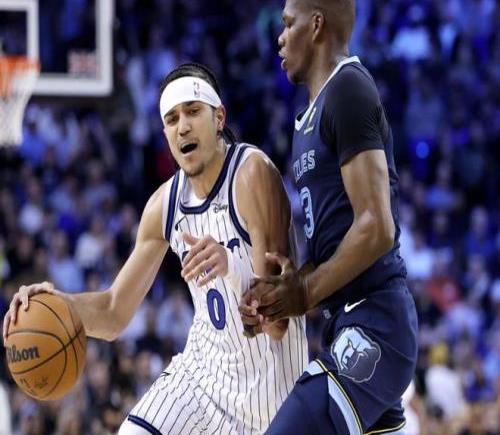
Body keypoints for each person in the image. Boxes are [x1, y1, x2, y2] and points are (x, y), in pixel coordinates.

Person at [3, 62, 308, 435]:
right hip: (202, 383)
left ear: (219, 118)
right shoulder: (163, 206)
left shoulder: (252, 173)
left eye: (193, 111)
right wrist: (57, 304)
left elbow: (277, 324)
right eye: (172, 118)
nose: (183, 126)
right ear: (165, 133)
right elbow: (113, 313)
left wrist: (231, 266)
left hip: (274, 398)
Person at [239, 0, 418, 434]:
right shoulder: (308, 118)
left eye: (288, 24)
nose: (280, 38)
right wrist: (279, 295)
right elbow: (337, 249)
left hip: (376, 322)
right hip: (346, 324)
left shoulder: (348, 89)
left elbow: (376, 227)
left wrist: (304, 291)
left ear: (316, 25)